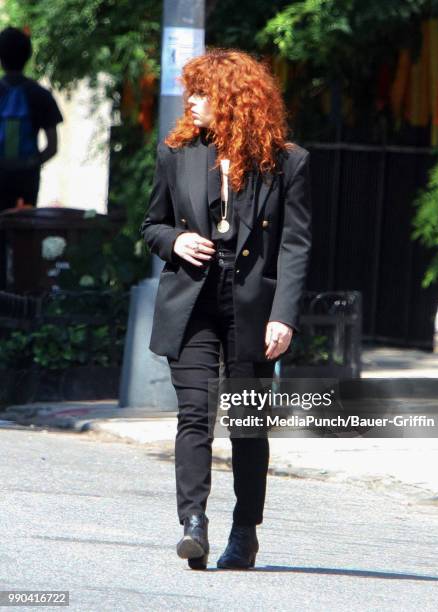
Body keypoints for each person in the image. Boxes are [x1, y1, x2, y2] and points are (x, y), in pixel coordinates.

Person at [140, 48, 312, 570]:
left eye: (202, 93)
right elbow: (152, 225)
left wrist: (283, 314)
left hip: (253, 307)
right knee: (194, 415)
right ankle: (193, 523)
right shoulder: (177, 154)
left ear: (233, 100)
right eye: (191, 91)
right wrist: (175, 243)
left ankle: (245, 530)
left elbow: (295, 244)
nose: (190, 102)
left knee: (246, 423)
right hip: (191, 303)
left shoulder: (287, 162)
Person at [0, 26, 64, 211]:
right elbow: (52, 147)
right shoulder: (40, 95)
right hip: (26, 180)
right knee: (24, 232)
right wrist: (31, 164)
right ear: (27, 56)